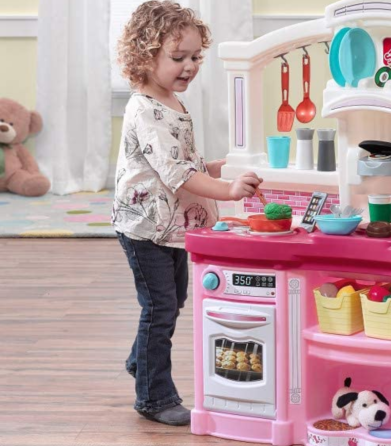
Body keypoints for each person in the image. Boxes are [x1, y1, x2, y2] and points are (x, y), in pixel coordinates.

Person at [113, 1, 261, 426]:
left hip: (172, 225)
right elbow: (177, 175)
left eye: (196, 56)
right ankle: (154, 397)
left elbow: (183, 161)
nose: (190, 66)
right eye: (178, 58)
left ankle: (142, 361)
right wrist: (227, 189)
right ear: (145, 57)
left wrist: (214, 168)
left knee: (171, 301)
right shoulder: (146, 109)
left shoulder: (172, 102)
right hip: (146, 227)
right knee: (159, 309)